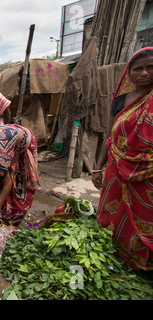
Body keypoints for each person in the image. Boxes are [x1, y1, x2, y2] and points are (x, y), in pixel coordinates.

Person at [91, 47, 153, 271]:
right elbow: (109, 136)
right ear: (129, 72)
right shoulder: (121, 101)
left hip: (148, 173)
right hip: (118, 167)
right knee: (113, 212)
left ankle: (141, 263)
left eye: (150, 67)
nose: (144, 73)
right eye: (138, 68)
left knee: (144, 217)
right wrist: (98, 168)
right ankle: (114, 254)